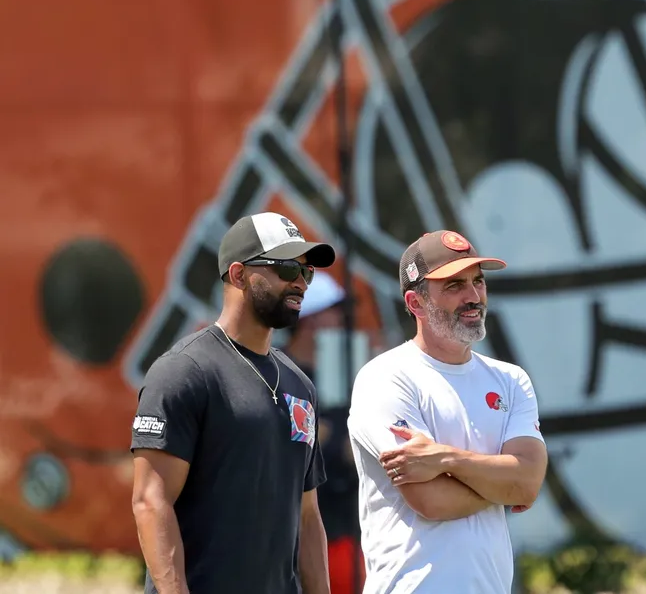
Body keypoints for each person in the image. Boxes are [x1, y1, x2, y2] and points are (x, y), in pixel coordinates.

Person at [130, 212, 336, 594]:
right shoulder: (184, 371)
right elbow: (151, 502)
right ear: (239, 275)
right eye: (287, 268)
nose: (300, 283)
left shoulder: (301, 385)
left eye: (305, 272)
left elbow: (308, 517)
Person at [347, 229, 549, 593]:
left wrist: (446, 460)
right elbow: (431, 499)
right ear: (415, 302)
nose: (473, 297)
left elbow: (529, 481)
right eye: (454, 286)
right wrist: (506, 485)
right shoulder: (385, 377)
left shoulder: (510, 379)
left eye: (478, 282)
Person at [280, 272, 366, 594]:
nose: (345, 322)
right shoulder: (276, 372)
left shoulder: (353, 372)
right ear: (311, 319)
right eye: (336, 312)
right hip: (295, 539)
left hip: (347, 533)